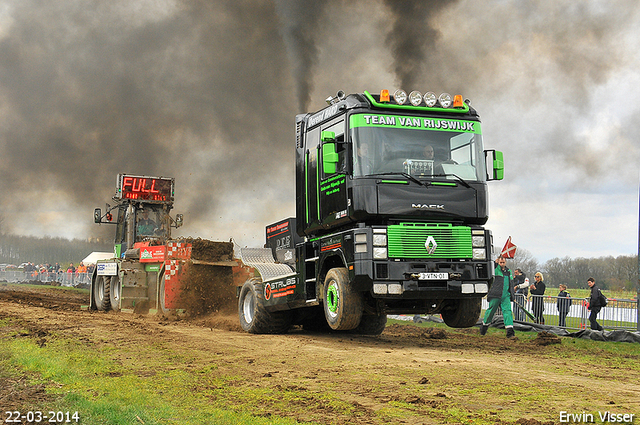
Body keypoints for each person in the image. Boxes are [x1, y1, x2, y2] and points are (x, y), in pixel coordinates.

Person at [479, 255, 516, 338]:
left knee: (508, 312)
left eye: (503, 262)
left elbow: (511, 284)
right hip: (495, 295)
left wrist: (512, 296)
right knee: (491, 312)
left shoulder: (509, 271)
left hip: (505, 296)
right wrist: (494, 263)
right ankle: (483, 329)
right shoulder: (495, 270)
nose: (502, 264)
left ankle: (510, 332)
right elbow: (489, 270)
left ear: (505, 262)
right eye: (500, 262)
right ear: (498, 262)